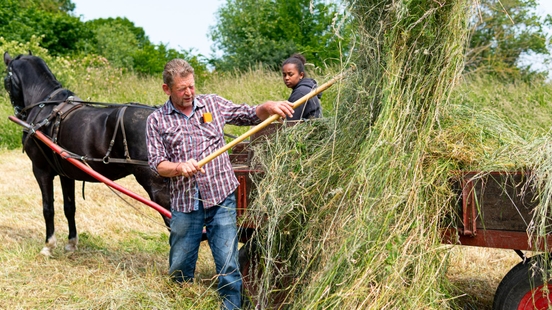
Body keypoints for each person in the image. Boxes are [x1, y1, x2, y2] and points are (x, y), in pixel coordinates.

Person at [145, 59, 294, 310]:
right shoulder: (157, 120)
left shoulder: (211, 103)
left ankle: (231, 306)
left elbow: (246, 113)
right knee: (180, 265)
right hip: (185, 201)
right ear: (166, 89)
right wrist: (179, 167)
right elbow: (157, 163)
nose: (189, 93)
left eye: (191, 86)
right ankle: (182, 302)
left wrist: (266, 107)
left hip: (221, 196)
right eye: (182, 89)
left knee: (228, 263)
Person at [281, 53, 323, 120]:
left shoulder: (301, 92)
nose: (286, 78)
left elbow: (290, 123)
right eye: (284, 75)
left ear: (301, 75)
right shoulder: (306, 89)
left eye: (290, 74)